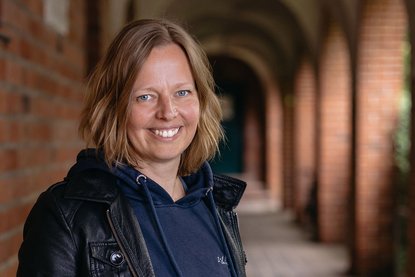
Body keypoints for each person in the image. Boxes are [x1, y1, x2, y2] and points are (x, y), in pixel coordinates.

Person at [17, 18, 247, 277]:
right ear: (113, 108)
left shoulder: (215, 205)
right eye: (145, 96)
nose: (168, 112)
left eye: (182, 92)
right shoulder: (65, 216)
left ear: (201, 100)